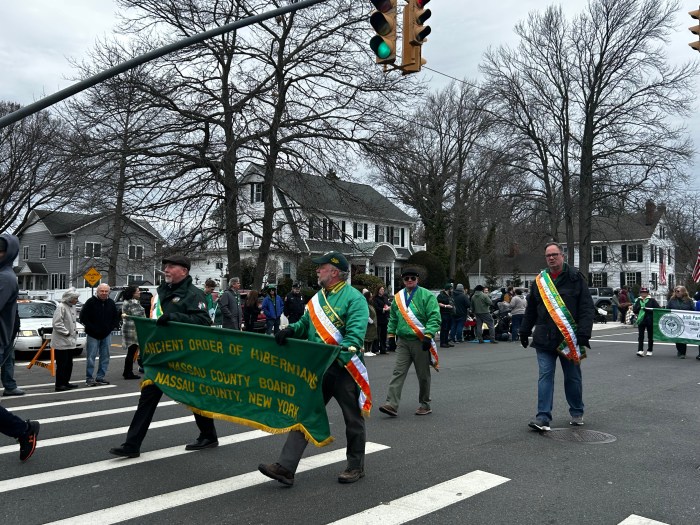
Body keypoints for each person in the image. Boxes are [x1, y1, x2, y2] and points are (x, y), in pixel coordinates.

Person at [258, 251, 368, 486]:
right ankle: (286, 467)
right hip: (318, 367)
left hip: (343, 368)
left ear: (335, 272)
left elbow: (355, 336)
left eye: (322, 267)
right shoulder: (317, 298)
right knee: (305, 414)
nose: (317, 270)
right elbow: (305, 323)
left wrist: (339, 353)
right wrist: (290, 330)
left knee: (353, 419)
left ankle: (355, 465)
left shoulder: (354, 299)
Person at [109, 255, 217, 458]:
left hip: (186, 355)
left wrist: (175, 317)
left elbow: (203, 322)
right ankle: (132, 444)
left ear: (184, 271)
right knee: (148, 395)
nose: (166, 270)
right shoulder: (161, 292)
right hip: (163, 354)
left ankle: (209, 435)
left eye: (171, 267)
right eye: (165, 267)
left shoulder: (194, 295)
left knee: (195, 396)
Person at [519, 242, 594, 431]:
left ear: (563, 256)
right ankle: (542, 417)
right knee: (545, 376)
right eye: (548, 256)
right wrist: (524, 331)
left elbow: (586, 308)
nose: (551, 258)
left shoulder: (576, 278)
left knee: (572, 377)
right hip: (544, 338)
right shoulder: (540, 281)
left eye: (554, 254)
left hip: (569, 338)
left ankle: (577, 411)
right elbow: (531, 310)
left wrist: (584, 333)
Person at [378, 267, 441, 417]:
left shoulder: (426, 295)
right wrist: (391, 336)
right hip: (403, 341)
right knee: (398, 372)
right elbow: (393, 318)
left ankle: (425, 404)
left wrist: (428, 335)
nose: (410, 281)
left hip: (420, 340)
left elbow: (434, 316)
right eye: (406, 279)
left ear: (417, 279)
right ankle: (391, 404)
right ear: (403, 280)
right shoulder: (398, 297)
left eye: (413, 278)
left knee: (423, 374)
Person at [79, 283, 119, 386]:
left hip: (106, 334)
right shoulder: (90, 302)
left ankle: (100, 377)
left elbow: (116, 317)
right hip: (93, 334)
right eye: (102, 291)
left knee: (105, 357)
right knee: (91, 357)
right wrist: (93, 328)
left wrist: (110, 328)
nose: (104, 293)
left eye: (106, 291)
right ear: (97, 291)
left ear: (109, 292)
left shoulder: (111, 303)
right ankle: (89, 378)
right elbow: (83, 317)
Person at [0, 234, 24, 396]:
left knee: (8, 359)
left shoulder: (5, 277)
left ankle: (10, 384)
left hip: (2, 333)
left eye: (1, 251)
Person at [51, 289, 81, 391]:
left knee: (69, 363)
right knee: (62, 364)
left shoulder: (72, 307)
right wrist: (66, 332)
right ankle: (59, 384)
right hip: (61, 340)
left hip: (70, 340)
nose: (77, 300)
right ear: (70, 298)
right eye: (75, 298)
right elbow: (57, 323)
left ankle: (66, 382)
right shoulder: (61, 307)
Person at [120, 285, 145, 379]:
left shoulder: (127, 301)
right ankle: (128, 373)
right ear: (132, 293)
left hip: (128, 329)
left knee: (131, 352)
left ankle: (126, 371)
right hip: (133, 330)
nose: (140, 292)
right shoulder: (133, 303)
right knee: (132, 352)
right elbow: (138, 316)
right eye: (138, 291)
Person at [667, 285, 695, 358]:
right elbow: (667, 309)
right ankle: (679, 350)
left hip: (685, 321)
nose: (677, 293)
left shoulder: (689, 300)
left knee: (683, 336)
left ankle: (683, 353)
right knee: (677, 337)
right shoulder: (672, 300)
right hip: (675, 321)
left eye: (678, 291)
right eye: (675, 291)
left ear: (683, 292)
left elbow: (693, 310)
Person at [633, 287, 660, 357]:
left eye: (645, 292)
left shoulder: (652, 300)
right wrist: (638, 307)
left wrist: (648, 310)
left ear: (647, 293)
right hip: (641, 319)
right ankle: (640, 350)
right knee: (641, 336)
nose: (643, 294)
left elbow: (658, 309)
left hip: (650, 319)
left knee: (650, 336)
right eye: (642, 292)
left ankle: (650, 350)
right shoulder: (638, 300)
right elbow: (635, 310)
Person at [373, 286, 391, 354]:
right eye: (381, 289)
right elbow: (376, 307)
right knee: (377, 334)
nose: (382, 291)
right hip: (378, 318)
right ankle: (376, 349)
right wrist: (383, 309)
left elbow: (388, 304)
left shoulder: (385, 298)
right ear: (378, 290)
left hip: (384, 318)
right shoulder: (375, 299)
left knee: (384, 334)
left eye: (383, 289)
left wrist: (388, 307)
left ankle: (383, 349)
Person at [436, 282, 454, 348]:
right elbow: (438, 303)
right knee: (444, 328)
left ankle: (446, 341)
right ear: (448, 289)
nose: (452, 290)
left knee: (448, 328)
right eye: (451, 289)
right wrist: (446, 306)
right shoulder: (441, 295)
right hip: (444, 313)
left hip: (450, 313)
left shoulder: (450, 295)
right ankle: (442, 342)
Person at [363, 290, 378, 357]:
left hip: (373, 323)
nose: (371, 297)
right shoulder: (365, 304)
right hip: (368, 323)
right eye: (370, 296)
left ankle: (369, 350)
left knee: (371, 337)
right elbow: (365, 313)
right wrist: (369, 320)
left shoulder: (370, 304)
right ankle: (366, 350)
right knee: (367, 337)